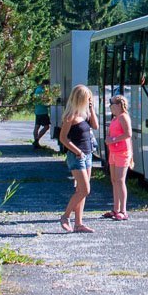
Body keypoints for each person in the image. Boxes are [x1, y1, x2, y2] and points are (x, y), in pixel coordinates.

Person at [57, 85, 99, 233]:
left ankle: (79, 223)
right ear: (80, 98)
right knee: (85, 190)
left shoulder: (85, 114)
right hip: (77, 156)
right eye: (87, 98)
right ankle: (65, 216)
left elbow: (95, 125)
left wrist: (91, 109)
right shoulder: (71, 116)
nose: (89, 100)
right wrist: (77, 151)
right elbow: (63, 138)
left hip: (88, 155)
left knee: (80, 190)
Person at [103, 94, 133, 220]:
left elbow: (128, 134)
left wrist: (113, 139)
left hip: (122, 152)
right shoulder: (115, 119)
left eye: (112, 104)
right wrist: (108, 140)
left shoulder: (123, 117)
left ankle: (123, 210)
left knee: (120, 180)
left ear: (119, 105)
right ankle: (115, 209)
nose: (110, 106)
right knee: (114, 180)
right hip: (114, 152)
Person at [32, 80, 51, 149]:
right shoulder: (42, 91)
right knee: (46, 127)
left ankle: (36, 142)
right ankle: (36, 140)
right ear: (44, 84)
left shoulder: (37, 89)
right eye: (47, 85)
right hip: (43, 111)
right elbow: (45, 101)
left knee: (37, 126)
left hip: (37, 110)